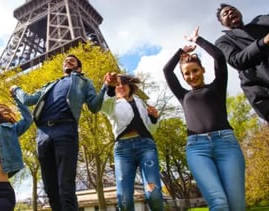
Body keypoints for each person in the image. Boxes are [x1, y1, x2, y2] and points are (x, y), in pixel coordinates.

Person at [11, 54, 115, 211]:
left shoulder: (84, 82)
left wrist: (107, 87)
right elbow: (28, 100)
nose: (68, 61)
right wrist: (16, 89)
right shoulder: (50, 85)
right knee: (50, 188)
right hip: (43, 133)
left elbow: (94, 106)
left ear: (78, 68)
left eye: (72, 60)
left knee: (65, 185)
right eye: (66, 60)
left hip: (65, 129)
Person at [163, 27, 246, 211]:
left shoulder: (217, 87)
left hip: (226, 144)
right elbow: (167, 71)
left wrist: (197, 40)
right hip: (197, 149)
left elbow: (219, 57)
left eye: (195, 70)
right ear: (183, 77)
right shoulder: (183, 95)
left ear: (203, 70)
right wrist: (181, 52)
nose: (192, 76)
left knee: (237, 205)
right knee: (218, 202)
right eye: (187, 73)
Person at [101, 74, 163, 211]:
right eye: (117, 85)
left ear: (130, 86)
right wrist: (109, 87)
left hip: (146, 146)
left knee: (154, 194)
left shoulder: (140, 102)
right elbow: (104, 105)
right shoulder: (112, 105)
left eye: (123, 83)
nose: (121, 86)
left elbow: (151, 129)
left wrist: (153, 118)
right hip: (123, 151)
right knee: (124, 199)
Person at [215, 3, 269, 122]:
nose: (230, 12)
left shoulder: (259, 23)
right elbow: (236, 60)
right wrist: (263, 42)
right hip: (263, 91)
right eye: (225, 13)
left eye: (233, 10)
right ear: (222, 23)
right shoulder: (223, 41)